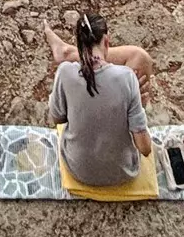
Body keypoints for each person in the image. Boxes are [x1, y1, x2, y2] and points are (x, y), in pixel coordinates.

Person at [46, 13, 155, 188]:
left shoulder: (65, 72)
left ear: (79, 43)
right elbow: (145, 148)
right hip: (122, 173)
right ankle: (68, 51)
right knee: (139, 55)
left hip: (78, 169)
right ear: (106, 41)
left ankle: (67, 51)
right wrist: (138, 108)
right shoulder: (127, 78)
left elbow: (57, 119)